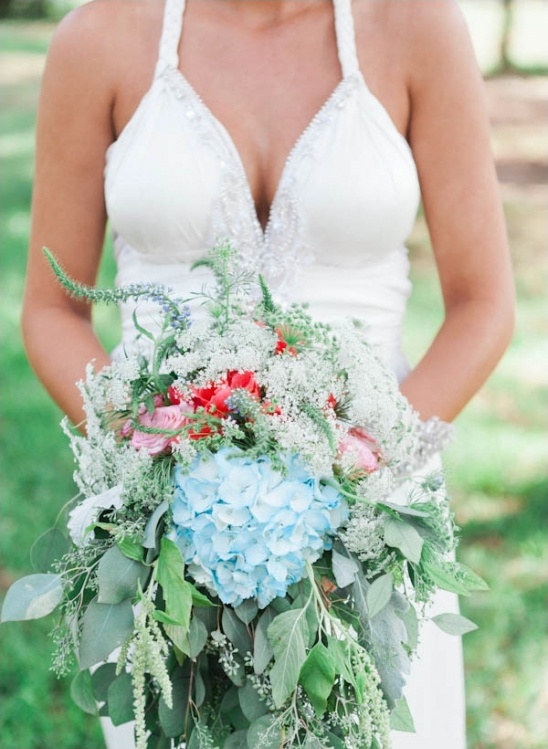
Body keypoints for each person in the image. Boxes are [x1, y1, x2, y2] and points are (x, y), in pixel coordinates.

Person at [21, 0, 514, 747]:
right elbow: (53, 310)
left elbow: (484, 305)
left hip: (373, 512)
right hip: (168, 534)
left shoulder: (418, 28)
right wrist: (154, 462)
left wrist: (358, 485)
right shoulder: (100, 39)